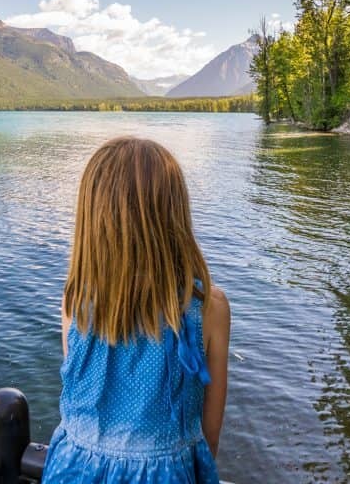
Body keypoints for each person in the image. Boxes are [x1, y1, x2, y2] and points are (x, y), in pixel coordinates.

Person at [42, 137, 231, 483]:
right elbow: (211, 432)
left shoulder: (76, 304)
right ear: (175, 215)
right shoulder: (208, 309)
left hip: (72, 471)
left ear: (93, 221)